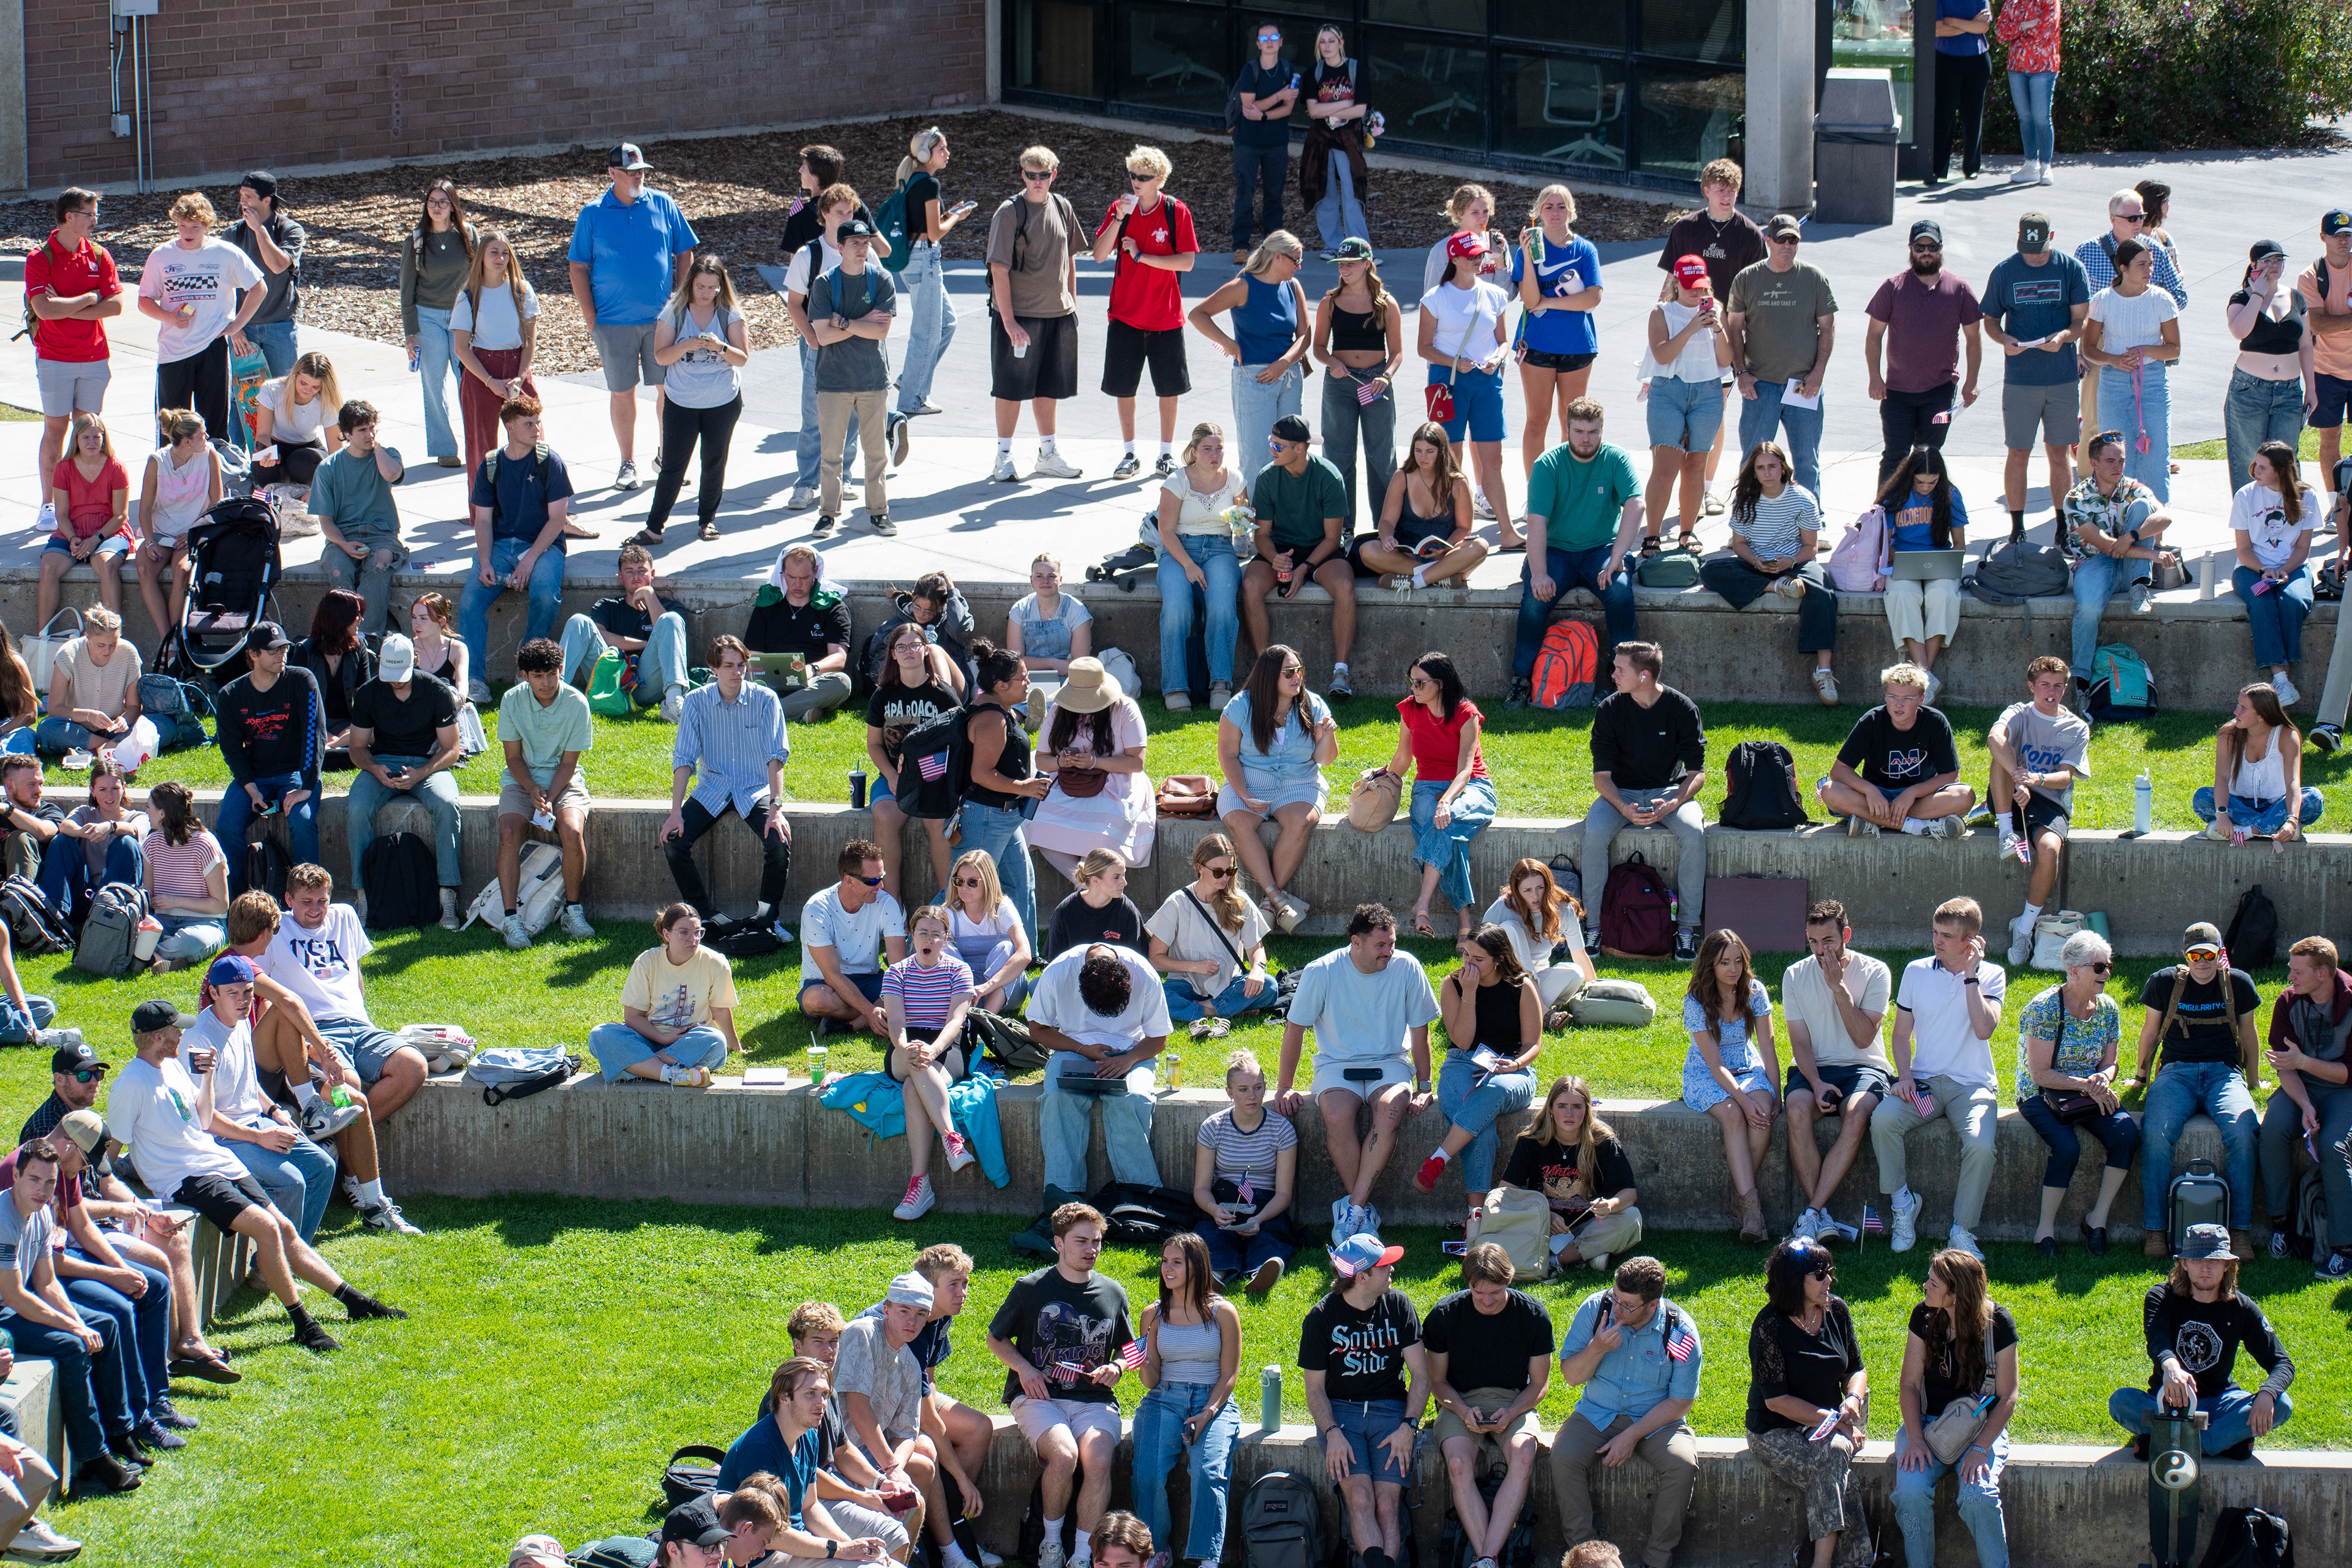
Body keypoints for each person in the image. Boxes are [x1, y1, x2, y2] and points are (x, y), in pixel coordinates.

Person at [106, 998, 407, 1354]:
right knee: (267, 1228)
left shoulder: (172, 1068)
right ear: (158, 1037)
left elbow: (204, 1120)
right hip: (186, 1178)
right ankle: (304, 1324)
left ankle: (355, 1301)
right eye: (176, 1029)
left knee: (284, 1229)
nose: (182, 1034)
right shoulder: (130, 1084)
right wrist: (119, 1199)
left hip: (217, 1162)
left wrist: (206, 1078)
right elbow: (111, 1152)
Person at [1275, 904, 1439, 1242]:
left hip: (1391, 1061)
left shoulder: (1407, 967)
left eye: (1392, 943)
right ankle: (1360, 1213)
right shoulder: (1322, 971)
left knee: (1391, 1108)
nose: (1389, 952)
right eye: (1381, 945)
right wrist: (1284, 1087)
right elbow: (1295, 1030)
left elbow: (1420, 1031)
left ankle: (1354, 1209)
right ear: (1356, 942)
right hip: (1336, 1064)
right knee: (1335, 1114)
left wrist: (1424, 1085)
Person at [986, 1202, 1137, 1568]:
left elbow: (1132, 1349)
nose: (1091, 1250)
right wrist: (1025, 1369)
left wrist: (1117, 1366)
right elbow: (996, 1338)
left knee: (1098, 1461)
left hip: (1094, 1399)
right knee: (1064, 1455)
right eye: (1081, 1241)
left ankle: (1084, 1556)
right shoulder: (1031, 1288)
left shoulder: (1113, 1292)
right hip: (1039, 1397)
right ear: (1058, 1242)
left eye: (1097, 1242)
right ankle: (1051, 1546)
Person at [0, 1140, 145, 1495]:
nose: (42, 1190)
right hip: (5, 1314)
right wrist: (74, 1327)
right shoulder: (4, 1220)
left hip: (19, 1303)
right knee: (70, 1345)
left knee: (106, 1326)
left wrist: (80, 1323)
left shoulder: (44, 1213)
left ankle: (118, 1433)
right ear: (16, 1176)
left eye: (50, 1183)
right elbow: (16, 1297)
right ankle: (93, 1463)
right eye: (34, 1179)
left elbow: (47, 1282)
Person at [1877, 897, 2007, 1260]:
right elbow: (1901, 1035)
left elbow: (1983, 1030)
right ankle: (1904, 1205)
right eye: (1935, 932)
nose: (1938, 941)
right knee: (1884, 1119)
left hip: (1973, 1087)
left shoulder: (1992, 975)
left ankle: (1962, 1232)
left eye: (1947, 936)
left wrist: (1971, 976)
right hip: (1925, 1086)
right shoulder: (1916, 971)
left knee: (1981, 1147)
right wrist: (1904, 1077)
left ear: (1972, 941)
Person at [262, 863, 432, 1139]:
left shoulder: (346, 916)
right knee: (347, 1085)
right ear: (289, 900)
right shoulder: (275, 930)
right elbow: (265, 997)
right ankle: (352, 1162)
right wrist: (303, 1045)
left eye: (322, 901)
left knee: (413, 1066)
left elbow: (355, 974)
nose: (316, 909)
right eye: (306, 902)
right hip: (319, 1031)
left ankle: (344, 1148)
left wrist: (361, 1014)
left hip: (361, 1026)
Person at [1550, 1256, 1700, 1568]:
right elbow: (1570, 1376)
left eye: (1627, 1306)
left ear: (1652, 1305)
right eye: (1616, 1298)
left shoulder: (1679, 1330)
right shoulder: (1595, 1309)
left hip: (1656, 1420)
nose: (1617, 1309)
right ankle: (1588, 1559)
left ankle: (1656, 1560)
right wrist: (1596, 1349)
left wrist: (1631, 1436)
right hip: (1597, 1412)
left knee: (1682, 1465)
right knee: (1563, 1457)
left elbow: (1681, 1402)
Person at [180, 953, 339, 1242]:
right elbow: (204, 1119)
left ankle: (296, 1256)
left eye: (249, 992)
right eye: (233, 993)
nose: (243, 1000)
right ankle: (268, 1269)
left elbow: (249, 1083)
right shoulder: (198, 1041)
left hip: (256, 1123)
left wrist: (276, 1111)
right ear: (213, 993)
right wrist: (258, 1138)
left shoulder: (240, 1021)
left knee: (323, 1166)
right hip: (222, 1137)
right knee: (292, 1183)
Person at [2128, 922, 2261, 1262]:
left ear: (2220, 954)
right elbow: (2150, 1031)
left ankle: (2240, 1231)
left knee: (2244, 1133)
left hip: (2224, 1073)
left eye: (2209, 954)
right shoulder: (2163, 983)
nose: (2202, 962)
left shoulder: (2239, 983)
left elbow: (2249, 1035)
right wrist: (2141, 1078)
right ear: (2185, 955)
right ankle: (2156, 1230)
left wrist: (2255, 1080)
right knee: (2156, 1135)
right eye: (2195, 955)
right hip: (2176, 1073)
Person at [568, 141, 698, 491]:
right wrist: (591, 318)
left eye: (641, 170)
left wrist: (679, 299)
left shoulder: (663, 204)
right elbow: (578, 267)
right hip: (612, 324)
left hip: (661, 322)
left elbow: (684, 251)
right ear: (612, 173)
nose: (638, 176)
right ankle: (627, 463)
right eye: (630, 171)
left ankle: (666, 457)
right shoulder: (592, 213)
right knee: (623, 392)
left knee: (668, 389)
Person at [2109, 1223, 2294, 1457]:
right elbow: (2157, 1339)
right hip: (2169, 1404)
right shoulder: (2161, 1296)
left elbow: (2283, 1363)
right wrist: (2170, 1366)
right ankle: (2222, 1442)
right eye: (2197, 1260)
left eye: (2214, 1261)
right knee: (2121, 1401)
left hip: (2220, 1403)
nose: (2205, 1268)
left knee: (2282, 1404)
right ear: (2184, 1263)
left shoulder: (2242, 1308)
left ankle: (2168, 1441)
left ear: (2227, 1266)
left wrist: (2267, 1393)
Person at [1300, 1232, 1427, 1568]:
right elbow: (1314, 1389)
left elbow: (1421, 1375)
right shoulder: (1321, 1317)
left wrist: (1408, 1427)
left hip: (1391, 1412)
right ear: (1362, 1276)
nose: (1393, 1271)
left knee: (1387, 1504)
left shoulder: (1399, 1305)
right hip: (1342, 1415)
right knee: (1359, 1499)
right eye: (1385, 1266)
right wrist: (1332, 1433)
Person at [1508, 398, 1645, 706]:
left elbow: (1636, 505)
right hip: (1556, 550)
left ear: (1602, 430)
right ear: (1567, 429)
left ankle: (1620, 682)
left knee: (1621, 592)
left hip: (1602, 549)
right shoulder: (1548, 464)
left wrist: (1617, 557)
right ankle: (1522, 680)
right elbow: (1536, 522)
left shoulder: (1615, 458)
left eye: (1593, 432)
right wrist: (1540, 573)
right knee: (1534, 600)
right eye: (1579, 431)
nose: (1586, 438)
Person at [1425, 1245, 1553, 1568]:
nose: (1487, 1300)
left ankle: (1484, 1559)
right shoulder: (1444, 1315)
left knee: (1524, 1455)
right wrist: (1461, 1411)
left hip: (1513, 1399)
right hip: (1460, 1401)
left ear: (1509, 1281)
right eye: (1477, 1292)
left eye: (1496, 1292)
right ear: (1468, 1285)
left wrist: (1512, 1413)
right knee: (1457, 1465)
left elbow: (1539, 1384)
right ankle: (1488, 1558)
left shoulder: (1533, 1315)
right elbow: (1438, 1383)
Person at [1653, 160, 1768, 520]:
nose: (1726, 194)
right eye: (1720, 188)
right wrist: (1662, 320)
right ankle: (1677, 489)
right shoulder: (1686, 228)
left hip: (1723, 330)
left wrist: (1741, 335)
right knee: (1676, 418)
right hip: (1682, 332)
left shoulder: (1750, 234)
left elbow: (1755, 289)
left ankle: (1704, 489)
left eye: (1732, 188)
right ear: (1706, 191)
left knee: (1712, 418)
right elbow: (1671, 282)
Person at [832, 1273, 971, 1568]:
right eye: (904, 1311)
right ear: (886, 1309)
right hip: (837, 1453)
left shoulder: (910, 1362)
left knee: (919, 1479)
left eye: (921, 1314)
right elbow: (858, 1408)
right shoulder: (863, 1334)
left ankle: (901, 1562)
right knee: (905, 1481)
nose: (912, 1321)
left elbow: (907, 1433)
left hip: (871, 1455)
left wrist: (898, 1474)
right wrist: (891, 1470)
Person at [1746, 1238, 1869, 1568]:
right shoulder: (1769, 1326)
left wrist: (1854, 1399)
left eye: (1829, 1271)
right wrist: (1837, 1421)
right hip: (1776, 1430)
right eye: (1820, 1274)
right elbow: (1777, 1401)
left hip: (1832, 1421)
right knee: (1833, 1464)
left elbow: (1855, 1369)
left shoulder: (1837, 1310)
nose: (1830, 1279)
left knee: (1834, 1456)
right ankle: (1842, 1562)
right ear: (1794, 1280)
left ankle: (1818, 1559)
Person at [2016, 929, 2140, 1256]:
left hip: (2088, 1092)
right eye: (2098, 967)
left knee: (2126, 1134)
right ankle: (2044, 1232)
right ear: (2074, 970)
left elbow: (2111, 1062)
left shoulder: (2108, 1008)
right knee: (2067, 1148)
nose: (2107, 973)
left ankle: (2096, 1220)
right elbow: (2039, 1074)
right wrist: (2086, 1085)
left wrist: (2102, 1078)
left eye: (2108, 965)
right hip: (2042, 1093)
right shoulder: (2044, 1008)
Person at [656, 635, 793, 932]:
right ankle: (703, 916)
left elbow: (776, 756)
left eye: (742, 665)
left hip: (754, 788)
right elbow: (684, 760)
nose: (737, 672)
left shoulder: (766, 699)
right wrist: (675, 812)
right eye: (729, 666)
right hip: (711, 789)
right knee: (674, 843)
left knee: (778, 843)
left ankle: (769, 920)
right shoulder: (695, 702)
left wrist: (776, 808)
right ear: (713, 668)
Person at [1581, 642, 1706, 960]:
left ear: (1644, 676)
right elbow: (1601, 777)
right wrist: (1623, 806)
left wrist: (1675, 802)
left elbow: (1697, 774)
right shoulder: (1609, 710)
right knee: (1594, 834)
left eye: (1620, 670)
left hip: (1668, 791)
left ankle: (1688, 930)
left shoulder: (1682, 708)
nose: (1613, 675)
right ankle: (1594, 927)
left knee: (1694, 834)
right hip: (1619, 793)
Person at [1892, 1249, 2016, 1568]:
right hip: (1927, 1426)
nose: (1925, 1286)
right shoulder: (1923, 1316)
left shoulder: (1998, 1323)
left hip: (1979, 1430)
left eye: (1933, 1283)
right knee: (1909, 1495)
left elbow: (2008, 1396)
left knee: (1978, 1498)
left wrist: (1980, 1448)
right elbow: (1908, 1384)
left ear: (1957, 1291)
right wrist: (1916, 1439)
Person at [1781, 901, 1894, 1245]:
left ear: (1846, 935)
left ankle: (1812, 1212)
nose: (1820, 950)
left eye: (1828, 940)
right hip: (1817, 1067)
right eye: (1813, 941)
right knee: (1797, 1111)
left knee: (1858, 1112)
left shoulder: (1876, 972)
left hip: (1866, 1065)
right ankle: (1822, 1216)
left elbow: (1863, 1037)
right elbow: (1799, 1041)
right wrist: (1815, 1083)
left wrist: (1838, 987)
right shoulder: (1794, 975)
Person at [715, 1357, 897, 1563]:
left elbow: (810, 1507)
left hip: (799, 1541)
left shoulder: (809, 1436)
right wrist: (841, 1549)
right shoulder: (759, 1450)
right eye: (811, 1394)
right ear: (784, 1397)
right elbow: (770, 1535)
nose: (821, 1403)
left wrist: (853, 1547)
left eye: (825, 1395)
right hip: (763, 1555)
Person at [1131, 1232, 1242, 1568]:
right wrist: (1143, 1362)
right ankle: (1156, 1550)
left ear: (1197, 1265)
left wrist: (1207, 1413)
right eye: (1165, 1261)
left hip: (1213, 1401)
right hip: (1164, 1399)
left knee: (1208, 1472)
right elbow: (1150, 1379)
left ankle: (1206, 1560)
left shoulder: (1223, 1312)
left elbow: (1230, 1375)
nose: (1168, 1268)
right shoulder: (1153, 1314)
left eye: (1177, 1262)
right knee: (1147, 1474)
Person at [1414, 926, 1538, 1223]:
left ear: (1498, 959)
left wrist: (1516, 1065)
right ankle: (1476, 1218)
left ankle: (1438, 1159)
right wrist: (1470, 992)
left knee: (1494, 1091)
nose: (1468, 964)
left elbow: (1533, 1043)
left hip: (1511, 1069)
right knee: (1482, 1129)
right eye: (1466, 955)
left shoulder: (1522, 986)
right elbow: (1463, 1041)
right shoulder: (1453, 984)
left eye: (1478, 959)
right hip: (1462, 1063)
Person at [344, 632, 464, 930]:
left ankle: (447, 893)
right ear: (380, 663)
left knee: (447, 804)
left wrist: (421, 774)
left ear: (416, 661)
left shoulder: (436, 691)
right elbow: (357, 748)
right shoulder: (370, 692)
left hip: (427, 763)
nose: (396, 681)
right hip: (382, 760)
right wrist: (374, 768)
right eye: (390, 673)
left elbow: (452, 749)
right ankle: (363, 894)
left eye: (402, 674)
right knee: (357, 808)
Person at [460, 396, 578, 699]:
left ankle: (525, 665)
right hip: (499, 546)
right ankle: (474, 681)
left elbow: (557, 521)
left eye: (538, 422)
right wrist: (485, 561)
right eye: (529, 423)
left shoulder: (550, 461)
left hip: (543, 545)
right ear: (509, 427)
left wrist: (528, 562)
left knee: (545, 596)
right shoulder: (490, 464)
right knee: (470, 602)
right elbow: (483, 520)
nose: (537, 429)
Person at [1700, 441, 1838, 699]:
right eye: (1760, 468)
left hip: (1795, 563)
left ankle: (1824, 671)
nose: (1767, 473)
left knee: (1822, 590)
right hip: (1757, 565)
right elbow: (1739, 544)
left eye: (1772, 466)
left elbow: (1811, 547)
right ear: (1754, 471)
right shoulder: (1745, 499)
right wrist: (1754, 561)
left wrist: (1791, 562)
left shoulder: (1803, 499)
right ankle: (1776, 587)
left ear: (1783, 468)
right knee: (1710, 571)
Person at [1984, 212, 2091, 541]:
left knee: (2059, 453)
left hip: (2061, 378)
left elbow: (2080, 321)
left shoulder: (2070, 268)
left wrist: (2062, 338)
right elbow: (1989, 319)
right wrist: (2003, 339)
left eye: (2040, 249)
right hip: (2020, 380)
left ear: (2052, 237)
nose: (2033, 255)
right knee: (2018, 452)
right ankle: (2017, 529)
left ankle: (2062, 526)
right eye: (2027, 248)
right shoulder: (2004, 271)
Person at [1091, 146, 1197, 480]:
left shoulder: (1176, 211)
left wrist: (1142, 256)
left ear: (1160, 180)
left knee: (1169, 389)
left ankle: (1166, 455)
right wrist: (1119, 218)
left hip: (1166, 316)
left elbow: (1187, 262)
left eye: (1144, 177)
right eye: (1133, 176)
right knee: (1125, 388)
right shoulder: (1120, 208)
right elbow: (1097, 255)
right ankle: (1129, 454)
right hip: (1125, 315)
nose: (1136, 182)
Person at [1031, 941, 1168, 1196]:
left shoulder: (1144, 973)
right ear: (1080, 983)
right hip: (1074, 1049)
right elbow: (1037, 1028)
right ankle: (1064, 1195)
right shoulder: (1059, 970)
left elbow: (1159, 1038)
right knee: (1057, 1098)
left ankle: (1139, 1194)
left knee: (1132, 1099)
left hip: (1132, 1053)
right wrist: (1082, 1049)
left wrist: (1129, 1059)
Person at [1373, 651, 1493, 941]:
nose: (1413, 688)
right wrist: (1381, 777)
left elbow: (1465, 770)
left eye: (1419, 683)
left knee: (1444, 822)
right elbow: (1403, 758)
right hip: (1427, 784)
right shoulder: (1410, 710)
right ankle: (1466, 920)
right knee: (1446, 833)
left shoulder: (1466, 713)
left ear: (1440, 683)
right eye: (1410, 681)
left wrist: (1446, 801)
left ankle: (1423, 903)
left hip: (1473, 785)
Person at [1216, 644, 1335, 931]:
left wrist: (1327, 736)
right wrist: (1243, 793)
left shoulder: (1314, 705)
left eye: (1299, 671)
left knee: (1301, 821)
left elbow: (1325, 760)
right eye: (1289, 672)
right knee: (1237, 821)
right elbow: (1228, 754)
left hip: (1300, 781)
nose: (1297, 677)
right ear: (1270, 676)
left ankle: (1271, 900)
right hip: (1250, 779)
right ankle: (1279, 900)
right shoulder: (1241, 705)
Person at [2074, 187, 2189, 481]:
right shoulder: (2088, 251)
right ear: (2113, 219)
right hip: (2099, 341)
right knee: (2095, 420)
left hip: (2145, 344)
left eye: (2143, 216)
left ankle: (2139, 488)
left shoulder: (2157, 251)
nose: (2140, 222)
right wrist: (2082, 349)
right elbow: (2075, 304)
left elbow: (2179, 296)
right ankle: (2093, 489)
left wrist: (2154, 309)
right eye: (2133, 217)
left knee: (2145, 422)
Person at [1241, 413, 1359, 696]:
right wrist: (1274, 559)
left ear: (1300, 448)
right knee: (1250, 585)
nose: (1272, 449)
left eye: (1278, 445)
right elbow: (1262, 536)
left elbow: (1333, 538)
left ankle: (1340, 672)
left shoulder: (1329, 477)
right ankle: (1264, 671)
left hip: (1321, 549)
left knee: (1345, 587)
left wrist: (1304, 568)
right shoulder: (1267, 477)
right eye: (1272, 442)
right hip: (1280, 549)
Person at [1983, 656, 2089, 968]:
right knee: (2002, 752)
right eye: (2044, 684)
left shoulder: (2077, 727)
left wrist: (2035, 779)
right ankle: (2007, 832)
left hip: (2049, 800)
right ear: (2032, 686)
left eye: (2058, 686)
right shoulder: (2019, 712)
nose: (2051, 691)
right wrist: (2019, 775)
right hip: (2009, 791)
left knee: (2049, 850)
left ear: (2066, 688)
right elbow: (1994, 738)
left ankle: (2025, 927)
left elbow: (2067, 776)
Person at [987, 148, 1084, 484]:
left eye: (1044, 175)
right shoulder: (1009, 213)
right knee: (1011, 388)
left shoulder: (1063, 207)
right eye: (1031, 175)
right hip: (1020, 316)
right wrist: (1009, 322)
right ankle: (1002, 456)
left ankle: (1048, 454)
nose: (1038, 181)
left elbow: (1070, 257)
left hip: (1057, 314)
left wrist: (1072, 300)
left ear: (1054, 174)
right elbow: (998, 269)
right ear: (1022, 175)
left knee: (1049, 387)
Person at [2258, 936, 2352, 1279]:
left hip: (2344, 1090)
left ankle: (2345, 1248)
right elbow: (2285, 1066)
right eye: (2290, 970)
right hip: (2300, 1086)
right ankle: (2281, 1224)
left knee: (2333, 1145)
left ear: (2324, 973)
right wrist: (2304, 1104)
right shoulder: (2288, 1002)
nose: (2289, 979)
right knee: (2271, 1131)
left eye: (2297, 972)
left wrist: (2303, 1061)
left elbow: (2348, 1074)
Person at [137, 192, 264, 444]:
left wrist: (236, 325)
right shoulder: (161, 256)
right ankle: (171, 479)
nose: (187, 232)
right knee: (171, 428)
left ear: (206, 225)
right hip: (174, 351)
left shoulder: (225, 253)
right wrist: (170, 317)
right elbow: (144, 301)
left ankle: (216, 479)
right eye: (182, 226)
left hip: (212, 347)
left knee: (214, 426)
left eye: (194, 227)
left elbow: (259, 288)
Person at [494, 637, 597, 946]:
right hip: (520, 780)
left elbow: (569, 763)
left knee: (572, 831)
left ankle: (573, 911)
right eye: (538, 676)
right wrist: (531, 789)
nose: (547, 682)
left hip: (565, 782)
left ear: (561, 670)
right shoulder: (511, 700)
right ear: (524, 676)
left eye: (552, 674)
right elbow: (512, 758)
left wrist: (548, 797)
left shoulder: (577, 702)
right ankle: (511, 920)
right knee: (510, 832)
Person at [1189, 232, 1312, 488]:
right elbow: (1198, 314)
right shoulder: (1243, 286)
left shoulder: (1293, 286)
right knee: (1257, 460)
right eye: (1295, 261)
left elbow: (1305, 336)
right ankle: (1255, 525)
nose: (1299, 267)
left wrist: (1284, 363)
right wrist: (1228, 343)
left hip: (1288, 377)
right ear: (1278, 257)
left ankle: (1285, 522)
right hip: (1253, 381)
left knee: (1291, 456)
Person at [880, 907, 980, 1221]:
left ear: (946, 939)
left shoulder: (959, 970)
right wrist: (906, 1047)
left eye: (937, 934)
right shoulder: (897, 972)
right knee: (914, 1066)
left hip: (945, 1046)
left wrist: (933, 1051)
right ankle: (953, 1140)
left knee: (913, 1087)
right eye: (923, 932)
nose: (930, 939)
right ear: (912, 937)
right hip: (905, 1044)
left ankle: (919, 1185)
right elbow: (896, 1020)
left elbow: (955, 1022)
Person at [1681, 929, 1780, 1244]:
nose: (1733, 969)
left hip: (1748, 1067)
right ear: (1710, 965)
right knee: (1735, 1115)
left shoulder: (1755, 991)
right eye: (1725, 963)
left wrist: (1775, 1095)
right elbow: (1715, 1064)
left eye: (1738, 961)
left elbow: (1768, 1048)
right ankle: (1752, 1211)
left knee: (1762, 1114)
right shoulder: (1696, 1001)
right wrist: (1741, 1100)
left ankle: (1740, 1195)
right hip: (1706, 1073)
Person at [1864, 221, 1983, 483]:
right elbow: (1874, 335)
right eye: (1920, 247)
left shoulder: (1959, 289)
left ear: (1941, 249)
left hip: (1940, 390)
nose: (1926, 252)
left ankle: (1927, 516)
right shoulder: (1892, 288)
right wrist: (1875, 378)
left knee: (1929, 456)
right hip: (1896, 392)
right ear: (1911, 248)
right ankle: (1884, 516)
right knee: (1895, 457)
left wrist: (1971, 382)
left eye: (1932, 247)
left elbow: (1974, 338)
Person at [1725, 215, 1834, 499]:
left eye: (1793, 240)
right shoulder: (1747, 278)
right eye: (1781, 239)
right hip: (1761, 385)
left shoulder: (1814, 278)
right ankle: (1747, 520)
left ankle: (1812, 522)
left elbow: (1827, 328)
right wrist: (1741, 373)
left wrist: (1818, 373)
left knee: (1807, 460)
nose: (1787, 245)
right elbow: (1734, 329)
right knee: (1754, 460)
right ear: (1768, 241)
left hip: (1804, 386)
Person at [1421, 232, 1518, 548]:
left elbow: (1504, 341)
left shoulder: (1494, 294)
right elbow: (1423, 347)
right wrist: (1454, 362)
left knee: (1493, 458)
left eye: (1481, 256)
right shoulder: (1435, 298)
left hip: (1486, 382)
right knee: (1451, 457)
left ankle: (1507, 530)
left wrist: (1498, 358)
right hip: (1447, 383)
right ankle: (1455, 530)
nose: (1478, 261)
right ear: (1454, 259)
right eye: (1471, 256)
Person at [24, 187, 123, 491]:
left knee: (89, 433)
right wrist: (91, 298)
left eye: (96, 214)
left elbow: (116, 306)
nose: (96, 220)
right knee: (56, 430)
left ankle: (82, 500)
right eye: (89, 214)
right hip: (55, 358)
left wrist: (66, 306)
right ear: (69, 217)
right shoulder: (40, 258)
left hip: (95, 358)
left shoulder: (99, 255)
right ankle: (50, 503)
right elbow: (43, 310)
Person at [783, 184, 875, 513]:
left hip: (856, 349)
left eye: (851, 213)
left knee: (850, 416)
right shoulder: (810, 255)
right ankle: (806, 483)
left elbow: (879, 297)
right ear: (823, 215)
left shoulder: (866, 251)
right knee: (814, 416)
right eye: (839, 213)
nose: (846, 218)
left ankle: (843, 476)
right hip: (820, 349)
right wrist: (811, 337)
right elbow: (794, 303)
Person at [213, 620, 325, 889]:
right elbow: (231, 751)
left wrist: (308, 786)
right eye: (273, 650)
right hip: (255, 776)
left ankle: (308, 897)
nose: (281, 655)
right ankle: (239, 901)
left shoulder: (302, 680)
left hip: (297, 773)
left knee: (303, 822)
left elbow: (315, 735)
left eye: (284, 648)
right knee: (227, 826)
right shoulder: (230, 695)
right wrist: (251, 789)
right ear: (253, 654)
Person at [809, 219, 900, 538]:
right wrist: (861, 323)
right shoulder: (824, 284)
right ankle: (827, 514)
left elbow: (882, 331)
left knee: (876, 453)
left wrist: (843, 322)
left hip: (873, 379)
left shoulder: (882, 280)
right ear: (840, 247)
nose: (862, 249)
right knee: (831, 454)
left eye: (866, 243)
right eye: (855, 244)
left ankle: (879, 513)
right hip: (833, 382)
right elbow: (822, 336)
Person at [1031, 658, 1156, 886]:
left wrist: (1094, 762)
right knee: (1040, 825)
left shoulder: (1125, 709)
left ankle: (1089, 892)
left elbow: (1136, 763)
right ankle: (1085, 887)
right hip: (1067, 783)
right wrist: (1061, 762)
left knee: (1099, 835)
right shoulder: (1059, 710)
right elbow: (1041, 760)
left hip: (1117, 783)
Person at [2061, 428, 2173, 678]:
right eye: (2110, 461)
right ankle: (2080, 677)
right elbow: (2107, 547)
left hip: (2128, 569)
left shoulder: (2133, 488)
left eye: (2121, 461)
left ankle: (2138, 586)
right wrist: (2151, 555)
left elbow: (2165, 517)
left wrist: (2130, 537)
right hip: (2093, 564)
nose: (2118, 467)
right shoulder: (2075, 498)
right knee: (2088, 610)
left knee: (2145, 508)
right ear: (2094, 463)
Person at [1155, 423, 1251, 713]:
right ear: (1194, 452)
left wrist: (1243, 522)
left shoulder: (1234, 479)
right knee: (1177, 609)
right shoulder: (1177, 481)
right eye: (1207, 449)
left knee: (1222, 607)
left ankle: (1220, 683)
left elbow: (1241, 532)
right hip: (1179, 550)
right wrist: (1188, 565)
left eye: (1219, 448)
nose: (1214, 455)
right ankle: (1175, 686)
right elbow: (1166, 531)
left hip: (1221, 550)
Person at [959, 642, 1050, 943]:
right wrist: (1023, 787)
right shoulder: (991, 719)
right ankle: (913, 952)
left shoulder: (1002, 710)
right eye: (1023, 679)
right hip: (985, 817)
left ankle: (1026, 952)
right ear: (1000, 685)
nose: (1028, 684)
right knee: (962, 889)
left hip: (1005, 818)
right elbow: (980, 774)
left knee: (1021, 884)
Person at [1501, 1076, 1640, 1270]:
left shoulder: (1604, 1142)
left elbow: (1629, 1194)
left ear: (1587, 1109)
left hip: (1591, 1226)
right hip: (1543, 1225)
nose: (1570, 1114)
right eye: (1562, 1106)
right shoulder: (1532, 1141)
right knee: (1505, 1214)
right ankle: (1589, 1255)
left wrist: (1610, 1205)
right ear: (1550, 1108)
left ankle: (1555, 1260)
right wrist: (1544, 1215)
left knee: (1631, 1218)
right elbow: (1505, 1192)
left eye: (1577, 1106)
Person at [1515, 187, 1605, 484]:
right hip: (1538, 345)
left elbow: (1592, 298)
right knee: (1537, 421)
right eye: (1549, 207)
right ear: (1538, 212)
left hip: (1577, 346)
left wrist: (1549, 301)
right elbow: (1529, 300)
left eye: (1561, 207)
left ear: (1571, 211)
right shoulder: (1528, 248)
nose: (1555, 213)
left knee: (1574, 426)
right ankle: (1536, 491)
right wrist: (1528, 257)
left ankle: (1574, 490)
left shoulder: (1585, 250)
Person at [1643, 256, 1733, 554]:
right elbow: (1663, 356)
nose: (1697, 294)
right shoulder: (1662, 313)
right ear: (1677, 284)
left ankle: (1687, 532)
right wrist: (1693, 328)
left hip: (1707, 391)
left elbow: (1725, 361)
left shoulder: (1715, 310)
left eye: (1701, 288)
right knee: (1666, 465)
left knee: (1696, 465)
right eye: (1691, 288)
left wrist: (1718, 329)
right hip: (1669, 391)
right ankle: (1652, 535)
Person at [2082, 239, 2183, 502]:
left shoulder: (2162, 299)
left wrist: (2145, 350)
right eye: (2142, 265)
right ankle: (2119, 518)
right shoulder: (2103, 300)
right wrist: (2114, 360)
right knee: (2114, 453)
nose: (2149, 270)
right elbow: (2089, 349)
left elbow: (2173, 349)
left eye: (2150, 264)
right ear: (2123, 268)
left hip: (2151, 381)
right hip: (2113, 382)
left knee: (2156, 452)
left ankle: (2156, 528)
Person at [1818, 663, 1971, 835]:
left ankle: (1872, 821)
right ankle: (1918, 827)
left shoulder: (1936, 722)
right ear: (1885, 697)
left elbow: (1951, 775)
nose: (1898, 705)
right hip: (1876, 798)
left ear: (1921, 699)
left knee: (1964, 795)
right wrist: (1870, 790)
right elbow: (1839, 771)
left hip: (1919, 798)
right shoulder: (1872, 721)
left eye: (1907, 699)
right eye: (1892, 697)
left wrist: (1911, 793)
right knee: (1830, 791)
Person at [1148, 836, 1277, 1041]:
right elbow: (1155, 957)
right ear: (1199, 867)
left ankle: (1199, 1011)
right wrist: (1194, 966)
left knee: (1270, 986)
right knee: (1153, 995)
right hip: (1186, 984)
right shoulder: (1177, 903)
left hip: (1228, 984)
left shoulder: (1241, 902)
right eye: (1218, 872)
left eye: (1230, 871)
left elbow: (1256, 951)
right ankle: (1223, 1010)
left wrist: (1258, 971)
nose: (1224, 878)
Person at [1315, 239, 1404, 532]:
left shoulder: (1386, 303)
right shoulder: (1329, 302)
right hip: (1340, 384)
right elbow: (1318, 347)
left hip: (1376, 383)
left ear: (1368, 264)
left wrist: (1385, 377)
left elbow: (1397, 353)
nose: (1345, 269)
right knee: (1338, 455)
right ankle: (1341, 527)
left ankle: (1386, 526)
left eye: (1351, 263)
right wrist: (1331, 362)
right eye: (1341, 264)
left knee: (1382, 456)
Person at [1193, 1050, 1298, 1291]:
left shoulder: (1282, 1130)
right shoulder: (1213, 1128)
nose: (1253, 1096)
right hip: (1224, 1201)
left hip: (1265, 1205)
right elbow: (1200, 1187)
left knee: (1269, 1238)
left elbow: (1283, 1194)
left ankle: (1261, 1273)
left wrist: (1259, 1219)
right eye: (1243, 1090)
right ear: (1229, 1092)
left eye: (1259, 1088)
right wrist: (1214, 1209)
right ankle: (1216, 1274)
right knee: (1214, 1235)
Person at [450, 228, 543, 486]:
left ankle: (540, 504)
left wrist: (520, 378)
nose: (500, 258)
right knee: (483, 447)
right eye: (494, 252)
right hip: (482, 371)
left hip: (517, 370)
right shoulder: (468, 296)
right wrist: (491, 381)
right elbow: (461, 348)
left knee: (534, 439)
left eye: (505, 253)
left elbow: (529, 340)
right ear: (481, 257)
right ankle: (483, 513)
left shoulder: (522, 290)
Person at [2230, 441, 2321, 699]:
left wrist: (2283, 570)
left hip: (2293, 567)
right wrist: (2265, 570)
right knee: (2262, 603)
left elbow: (2303, 548)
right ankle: (2281, 680)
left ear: (2281, 471)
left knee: (2293, 601)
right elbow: (2244, 550)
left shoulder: (2307, 496)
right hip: (2251, 569)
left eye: (2262, 467)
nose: (2254, 472)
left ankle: (2283, 680)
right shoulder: (2245, 495)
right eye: (2255, 465)